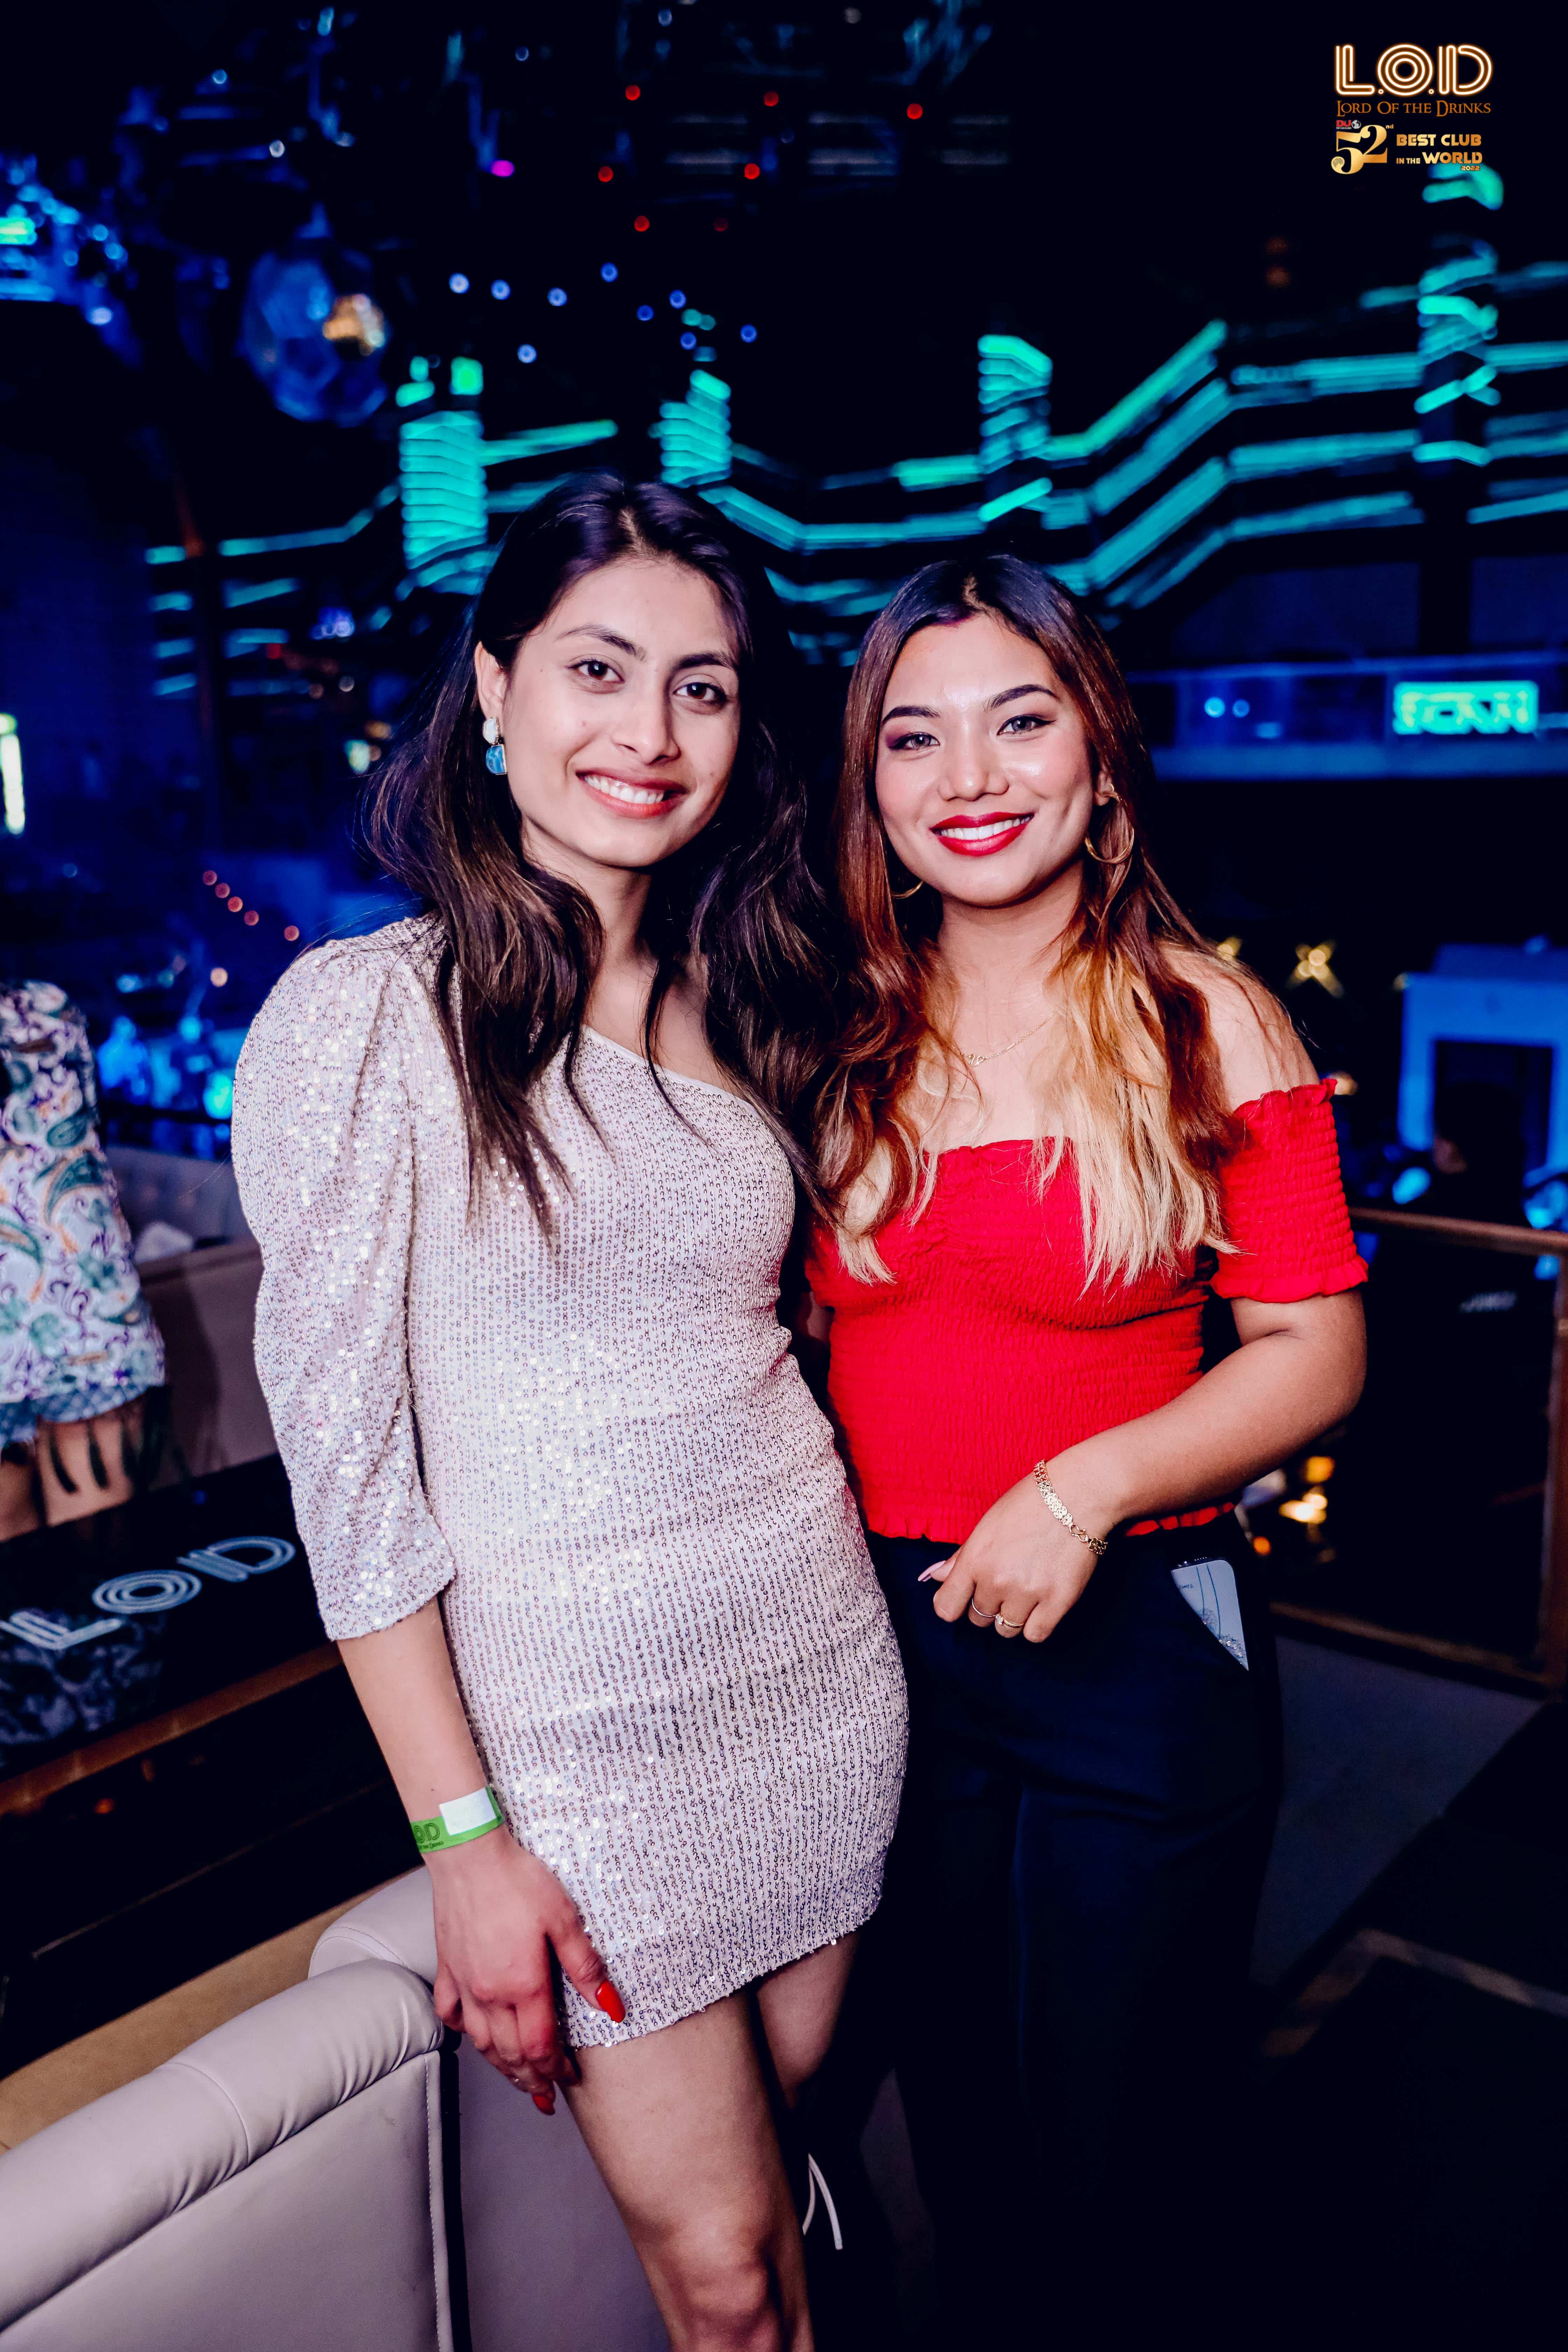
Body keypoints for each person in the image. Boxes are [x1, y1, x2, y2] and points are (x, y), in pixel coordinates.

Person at [231, 477, 905, 2352]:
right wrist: (465, 1842)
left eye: (705, 688)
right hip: (583, 1750)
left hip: (813, 1673)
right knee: (726, 2276)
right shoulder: (368, 1019)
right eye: (599, 671)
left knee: (786, 2181)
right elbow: (351, 1482)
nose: (651, 732)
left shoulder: (755, 1000)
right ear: (495, 689)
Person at [802, 556, 1367, 2332]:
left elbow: (1315, 1353)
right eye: (916, 737)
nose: (969, 776)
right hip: (887, 1644)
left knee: (1120, 2165)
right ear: (873, 788)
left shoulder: (1208, 1017)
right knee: (958, 2136)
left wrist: (1081, 1488)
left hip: (1137, 1640)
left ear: (1099, 760)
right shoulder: (828, 1029)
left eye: (1020, 720)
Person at [0, 979, 164, 1540]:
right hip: (89, 1313)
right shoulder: (47, 1009)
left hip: (85, 1320)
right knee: (86, 1566)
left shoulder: (47, 1009)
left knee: (92, 1563)